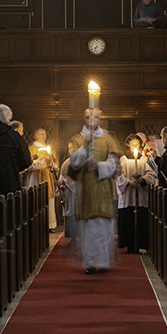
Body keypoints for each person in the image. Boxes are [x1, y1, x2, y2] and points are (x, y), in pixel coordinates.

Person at [69, 108, 119, 275]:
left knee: (104, 227)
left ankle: (103, 261)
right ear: (84, 118)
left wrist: (100, 166)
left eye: (95, 117)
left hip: (103, 188)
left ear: (100, 118)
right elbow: (73, 163)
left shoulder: (107, 139)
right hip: (86, 190)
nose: (92, 119)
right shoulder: (77, 139)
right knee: (89, 229)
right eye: (89, 117)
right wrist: (85, 146)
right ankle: (90, 262)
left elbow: (115, 165)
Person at [117, 134, 156, 253]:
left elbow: (151, 174)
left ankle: (140, 244)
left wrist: (142, 180)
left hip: (140, 196)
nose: (135, 146)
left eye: (137, 144)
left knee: (141, 221)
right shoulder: (123, 159)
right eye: (132, 144)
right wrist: (129, 182)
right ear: (128, 145)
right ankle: (129, 245)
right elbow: (118, 175)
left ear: (140, 145)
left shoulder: (144, 159)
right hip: (128, 196)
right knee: (128, 221)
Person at [26, 128, 58, 231]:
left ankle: (49, 225)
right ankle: (36, 225)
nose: (43, 136)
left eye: (44, 134)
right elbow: (28, 164)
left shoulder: (49, 148)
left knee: (49, 200)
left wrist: (52, 165)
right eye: (40, 134)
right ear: (35, 136)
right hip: (35, 177)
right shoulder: (31, 148)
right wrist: (43, 162)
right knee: (36, 199)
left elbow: (54, 162)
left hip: (47, 176)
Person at [56, 140, 79, 246]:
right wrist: (60, 184)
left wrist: (64, 181)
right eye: (69, 148)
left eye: (73, 148)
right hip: (70, 192)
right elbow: (62, 175)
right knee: (72, 214)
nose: (71, 150)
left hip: (80, 192)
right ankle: (73, 238)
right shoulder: (67, 162)